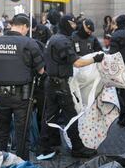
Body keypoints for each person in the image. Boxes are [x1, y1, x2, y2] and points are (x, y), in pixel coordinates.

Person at [38, 14, 104, 159]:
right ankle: (77, 148)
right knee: (71, 116)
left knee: (50, 116)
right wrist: (95, 59)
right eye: (73, 24)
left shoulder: (54, 38)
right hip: (60, 85)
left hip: (51, 82)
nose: (75, 27)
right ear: (67, 24)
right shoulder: (62, 40)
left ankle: (45, 146)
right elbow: (76, 63)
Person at [0, 13, 45, 161]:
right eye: (27, 28)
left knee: (2, 131)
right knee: (22, 133)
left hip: (1, 95)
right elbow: (41, 70)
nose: (27, 31)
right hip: (22, 96)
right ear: (24, 26)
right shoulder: (29, 43)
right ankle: (21, 163)